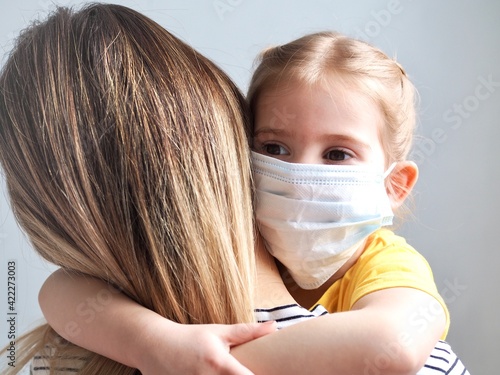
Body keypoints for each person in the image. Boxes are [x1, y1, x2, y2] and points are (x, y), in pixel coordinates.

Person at [31, 13, 469, 375]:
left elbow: (395, 343)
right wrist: (158, 347)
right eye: (274, 148)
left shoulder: (388, 261)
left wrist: (209, 364)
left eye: (337, 154)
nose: (300, 172)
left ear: (394, 185)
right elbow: (60, 290)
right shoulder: (229, 240)